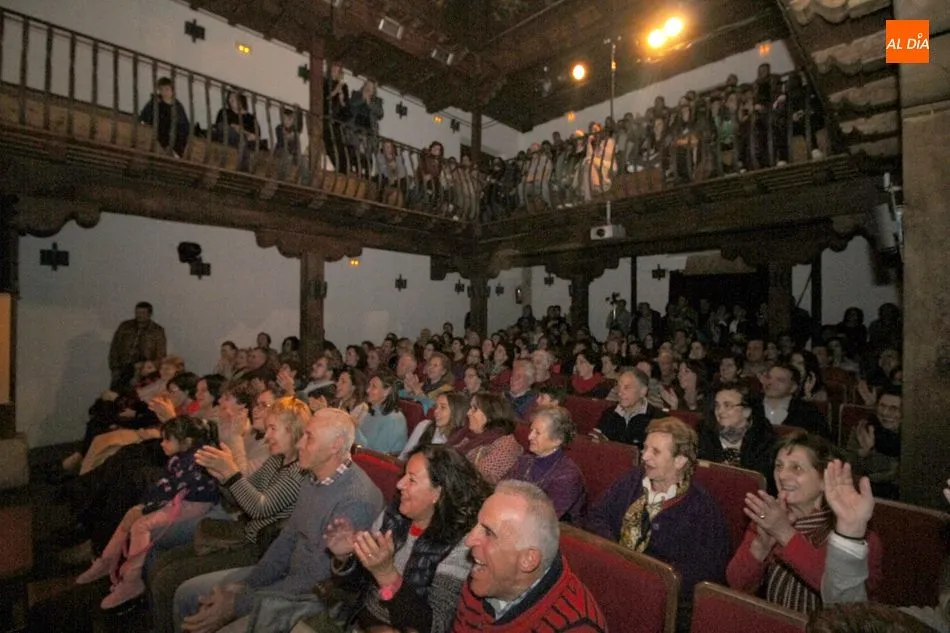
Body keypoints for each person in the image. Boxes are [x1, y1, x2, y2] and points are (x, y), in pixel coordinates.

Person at [174, 408, 384, 633]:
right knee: (186, 593)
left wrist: (241, 601)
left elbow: (316, 579)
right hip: (287, 581)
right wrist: (248, 585)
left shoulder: (355, 501)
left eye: (309, 437)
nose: (300, 444)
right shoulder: (313, 476)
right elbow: (287, 539)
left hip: (313, 601)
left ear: (336, 445)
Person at [148, 397, 308, 633]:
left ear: (294, 430)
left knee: (168, 580)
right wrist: (223, 477)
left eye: (274, 428)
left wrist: (231, 474)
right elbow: (243, 496)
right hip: (243, 536)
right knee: (163, 563)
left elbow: (259, 508)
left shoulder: (298, 471)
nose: (267, 436)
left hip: (259, 549)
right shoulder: (277, 460)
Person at [312, 445, 491, 633]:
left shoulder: (461, 546)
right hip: (361, 621)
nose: (399, 485)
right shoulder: (394, 515)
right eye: (404, 475)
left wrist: (386, 574)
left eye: (411, 480)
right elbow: (358, 586)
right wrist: (345, 556)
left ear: (438, 493)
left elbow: (435, 625)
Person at [584, 417, 730, 617]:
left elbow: (704, 572)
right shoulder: (633, 479)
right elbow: (597, 515)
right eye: (645, 448)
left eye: (656, 452)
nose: (644, 457)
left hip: (658, 602)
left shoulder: (701, 508)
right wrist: (614, 554)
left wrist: (645, 578)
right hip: (611, 574)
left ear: (680, 461)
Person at [726, 433, 883, 614]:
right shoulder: (770, 516)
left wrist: (784, 533)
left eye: (797, 468)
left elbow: (842, 598)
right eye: (779, 466)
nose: (782, 475)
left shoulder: (856, 535)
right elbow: (736, 584)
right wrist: (760, 547)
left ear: (825, 481)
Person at [76, 416, 220, 609]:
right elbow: (167, 487)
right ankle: (107, 559)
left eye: (167, 440)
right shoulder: (184, 458)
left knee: (141, 524)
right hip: (181, 498)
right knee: (132, 513)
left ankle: (132, 581)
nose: (162, 444)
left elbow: (168, 488)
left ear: (186, 442)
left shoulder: (193, 463)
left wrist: (144, 506)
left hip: (193, 504)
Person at [452, 481, 607, 632]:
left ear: (528, 560)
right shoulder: (483, 577)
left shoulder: (575, 626)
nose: (469, 540)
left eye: (488, 532)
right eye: (476, 525)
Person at [504, 406, 587, 522]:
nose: (529, 437)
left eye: (537, 433)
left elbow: (545, 518)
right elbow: (502, 491)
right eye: (531, 430)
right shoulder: (524, 461)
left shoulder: (568, 475)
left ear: (557, 440)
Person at [698, 387, 778, 487]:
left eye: (727, 405)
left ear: (747, 411)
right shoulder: (703, 432)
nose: (720, 411)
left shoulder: (765, 439)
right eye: (717, 405)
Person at [449, 392, 523, 485]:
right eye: (470, 408)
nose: (468, 413)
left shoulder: (506, 444)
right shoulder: (466, 435)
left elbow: (481, 478)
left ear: (490, 414)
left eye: (475, 409)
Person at [846, 387, 902, 499]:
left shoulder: (912, 439)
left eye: (893, 408)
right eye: (882, 406)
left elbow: (897, 475)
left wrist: (870, 456)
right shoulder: (863, 429)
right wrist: (863, 454)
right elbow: (849, 468)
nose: (885, 413)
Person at [590, 368, 662, 448]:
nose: (620, 393)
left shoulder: (658, 419)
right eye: (619, 387)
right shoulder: (609, 413)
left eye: (627, 388)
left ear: (643, 392)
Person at [754, 364, 829, 437]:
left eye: (780, 380)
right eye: (768, 377)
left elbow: (820, 441)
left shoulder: (807, 412)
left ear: (793, 387)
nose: (770, 382)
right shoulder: (750, 405)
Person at [108, 301, 167, 390]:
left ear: (150, 314)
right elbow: (115, 347)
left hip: (142, 371)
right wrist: (114, 367)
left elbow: (161, 354)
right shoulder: (125, 327)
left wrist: (149, 369)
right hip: (122, 368)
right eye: (137, 312)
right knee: (115, 395)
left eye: (143, 313)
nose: (139, 315)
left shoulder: (157, 331)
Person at [399, 392, 468, 461]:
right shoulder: (424, 426)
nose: (436, 411)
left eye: (443, 407)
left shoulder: (460, 441)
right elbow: (404, 456)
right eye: (436, 406)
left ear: (456, 412)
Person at [138, 77, 190, 157]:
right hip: (160, 128)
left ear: (172, 90)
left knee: (181, 130)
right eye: (161, 89)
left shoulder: (177, 106)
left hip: (174, 133)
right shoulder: (156, 101)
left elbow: (183, 124)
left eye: (167, 89)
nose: (164, 92)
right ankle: (169, 149)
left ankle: (176, 152)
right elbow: (144, 115)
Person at [360, 370, 409, 454]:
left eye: (374, 387)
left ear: (386, 391)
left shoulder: (395, 419)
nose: (368, 390)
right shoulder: (370, 411)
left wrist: (355, 427)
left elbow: (376, 453)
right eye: (369, 385)